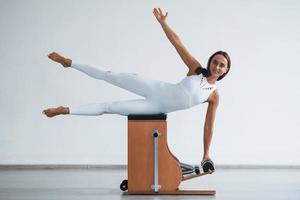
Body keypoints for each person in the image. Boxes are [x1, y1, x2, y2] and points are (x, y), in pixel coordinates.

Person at [43, 8, 231, 170]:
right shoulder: (196, 69)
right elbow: (177, 43)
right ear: (210, 62)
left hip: (155, 108)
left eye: (222, 65)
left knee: (109, 107)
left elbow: (208, 127)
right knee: (110, 75)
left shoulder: (213, 96)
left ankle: (64, 110)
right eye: (215, 62)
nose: (217, 67)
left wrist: (206, 154)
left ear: (226, 71)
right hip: (155, 88)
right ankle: (69, 63)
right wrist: (163, 23)